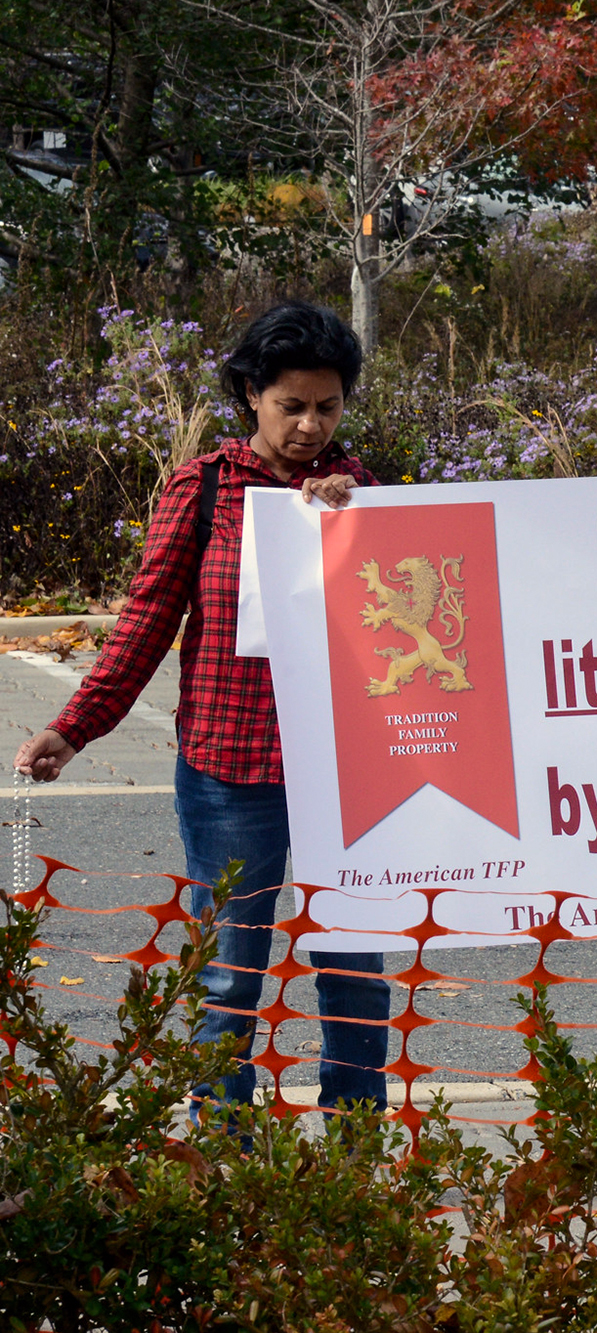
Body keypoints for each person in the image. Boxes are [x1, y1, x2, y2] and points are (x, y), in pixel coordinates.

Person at [12, 300, 391, 1119]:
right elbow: (146, 621)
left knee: (356, 965)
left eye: (327, 407)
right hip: (229, 768)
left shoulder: (364, 495)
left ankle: (355, 1153)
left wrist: (348, 515)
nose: (309, 426)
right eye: (291, 406)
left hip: (347, 774)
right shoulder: (206, 488)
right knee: (225, 969)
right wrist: (73, 727)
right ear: (251, 394)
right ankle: (224, 1147)